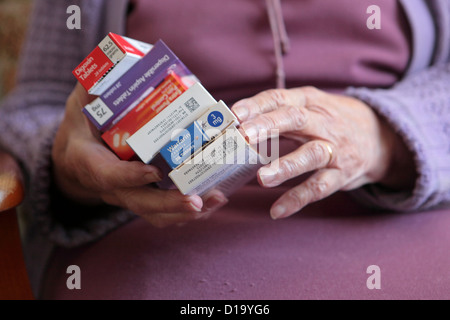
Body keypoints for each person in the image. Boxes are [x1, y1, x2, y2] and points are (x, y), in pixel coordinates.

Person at [0, 0, 449, 299]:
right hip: (154, 233)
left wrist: (384, 134)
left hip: (394, 214)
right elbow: (37, 104)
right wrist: (71, 168)